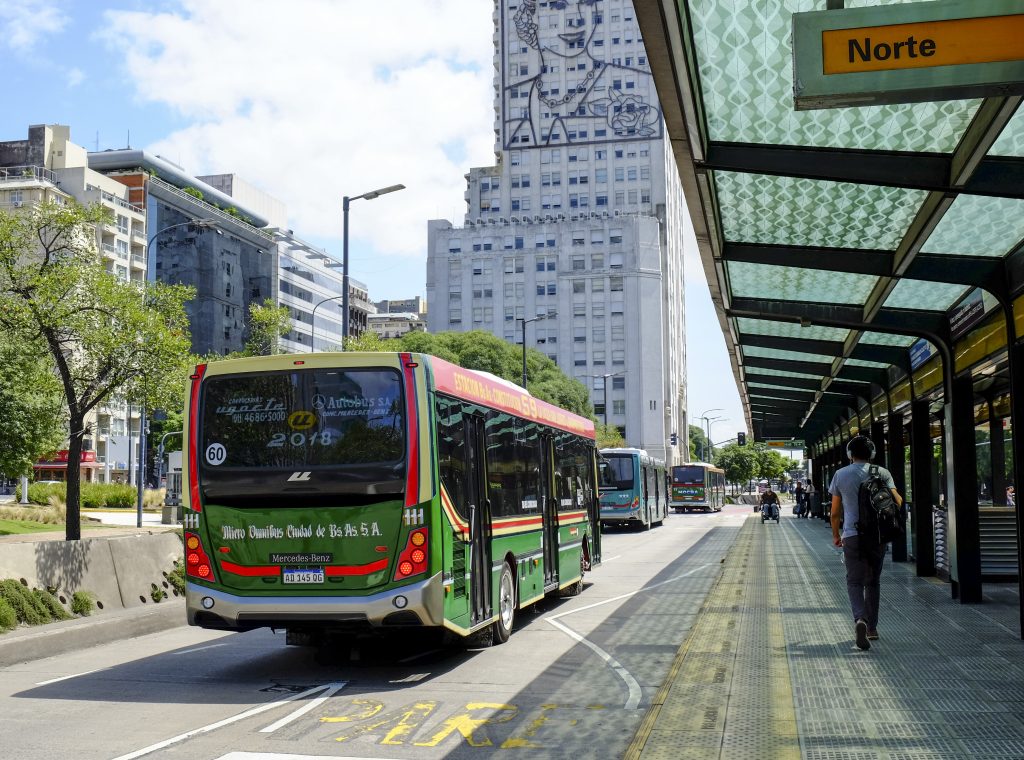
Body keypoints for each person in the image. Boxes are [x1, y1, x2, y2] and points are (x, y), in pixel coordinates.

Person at [830, 435, 903, 650]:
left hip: (851, 534)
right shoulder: (882, 473)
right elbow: (897, 501)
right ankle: (871, 628)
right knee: (873, 581)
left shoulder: (840, 474)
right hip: (877, 536)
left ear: (850, 454)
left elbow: (835, 512)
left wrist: (836, 535)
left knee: (854, 581)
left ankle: (859, 619)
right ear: (871, 454)